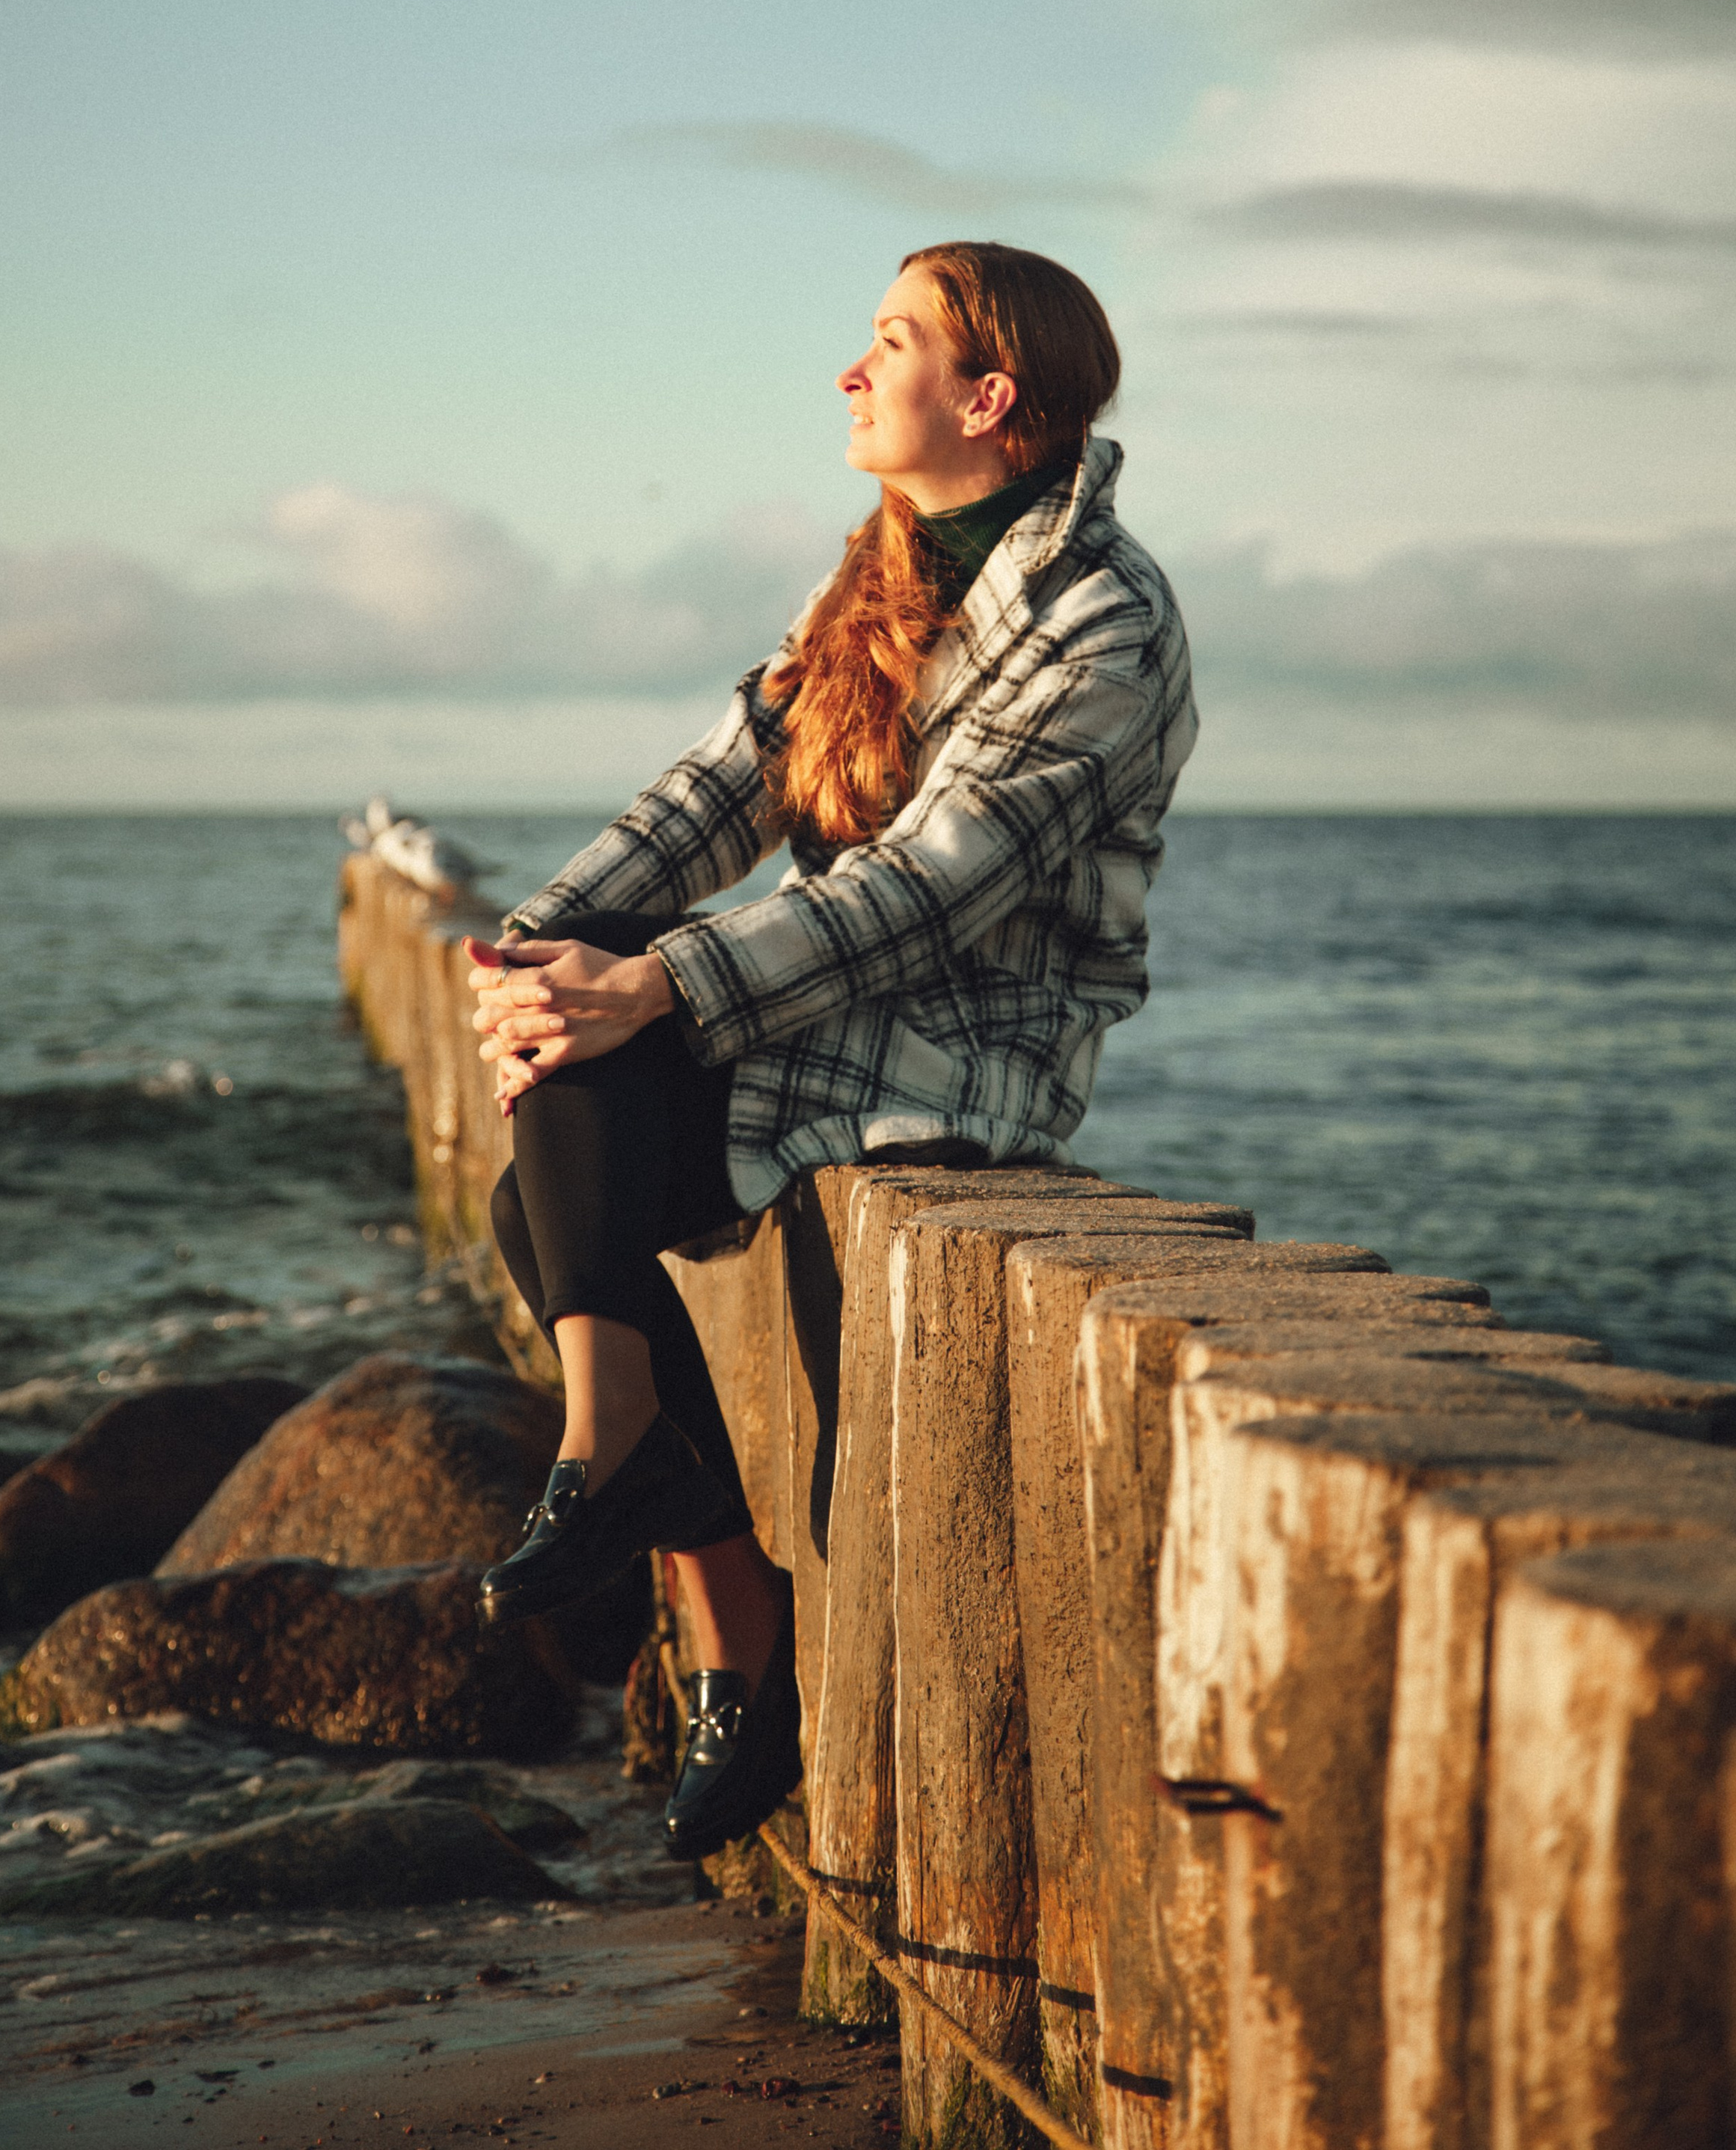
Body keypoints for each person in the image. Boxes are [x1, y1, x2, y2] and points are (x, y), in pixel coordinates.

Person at [464, 239, 1197, 1860]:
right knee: (551, 1153)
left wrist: (649, 984)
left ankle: (664, 1535)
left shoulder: (1104, 617)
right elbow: (732, 779)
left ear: (988, 395)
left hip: (959, 1048)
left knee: (582, 1103)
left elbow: (934, 887)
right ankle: (673, 1535)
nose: (850, 371)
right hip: (816, 1010)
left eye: (888, 342)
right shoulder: (874, 568)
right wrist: (536, 938)